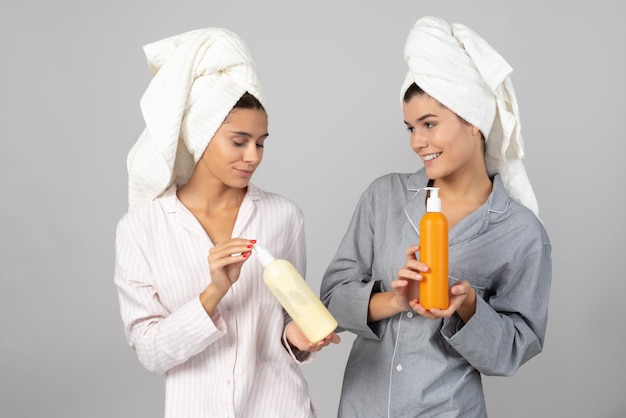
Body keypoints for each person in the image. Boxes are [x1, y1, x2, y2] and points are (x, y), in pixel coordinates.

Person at [320, 16, 552, 417]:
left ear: (474, 122)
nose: (417, 142)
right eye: (410, 127)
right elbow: (328, 302)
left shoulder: (520, 232)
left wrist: (467, 305)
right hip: (362, 407)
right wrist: (394, 300)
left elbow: (514, 351)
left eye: (429, 124)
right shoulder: (383, 198)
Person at [114, 28, 338, 418]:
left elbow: (286, 325)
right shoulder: (141, 229)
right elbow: (151, 352)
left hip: (281, 407)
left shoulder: (283, 217)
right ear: (200, 136)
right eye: (239, 141)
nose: (253, 156)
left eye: (261, 142)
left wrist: (298, 339)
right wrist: (213, 292)